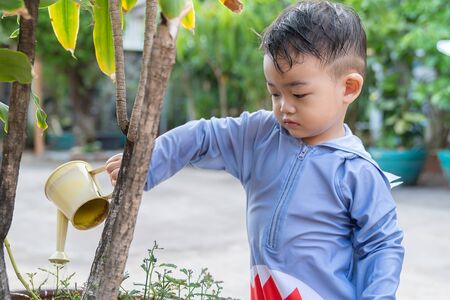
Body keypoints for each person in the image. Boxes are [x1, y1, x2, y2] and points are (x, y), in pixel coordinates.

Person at [106, 1, 404, 299]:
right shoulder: (260, 137)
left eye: (299, 94)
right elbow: (204, 135)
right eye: (275, 92)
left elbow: (381, 246)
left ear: (349, 88)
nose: (284, 107)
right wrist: (147, 163)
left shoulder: (357, 170)